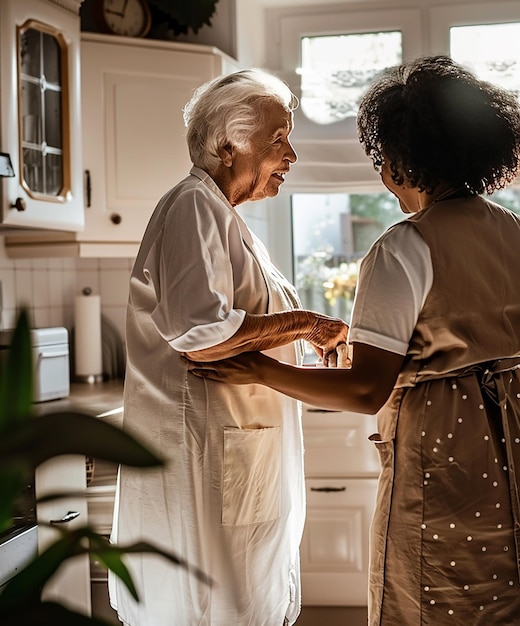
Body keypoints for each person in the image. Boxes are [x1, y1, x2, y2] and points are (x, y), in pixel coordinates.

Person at [187, 56, 520, 625]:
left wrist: (260, 371)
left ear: (400, 159)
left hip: (444, 451)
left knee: (435, 592)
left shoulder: (402, 248)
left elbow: (367, 388)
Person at [109, 68, 348, 626]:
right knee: (215, 606)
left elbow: (229, 324)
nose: (291, 155)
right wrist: (307, 324)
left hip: (236, 454)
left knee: (241, 599)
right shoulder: (193, 206)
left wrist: (298, 334)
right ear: (226, 145)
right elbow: (201, 333)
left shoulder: (222, 215)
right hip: (207, 457)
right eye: (278, 140)